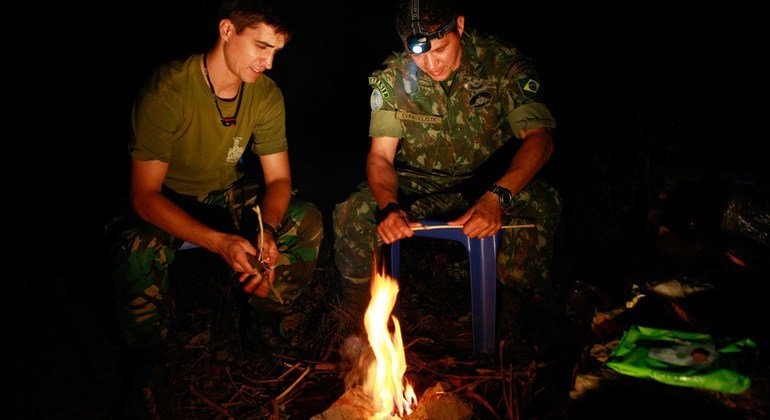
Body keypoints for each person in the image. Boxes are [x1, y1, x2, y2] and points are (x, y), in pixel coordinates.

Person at [110, 0, 322, 416]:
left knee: (306, 219)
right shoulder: (168, 90)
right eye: (261, 47)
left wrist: (270, 228)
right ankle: (148, 362)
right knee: (136, 249)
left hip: (223, 192)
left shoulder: (264, 94)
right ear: (227, 30)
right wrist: (218, 242)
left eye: (276, 51)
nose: (269, 62)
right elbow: (144, 196)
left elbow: (278, 180)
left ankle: (264, 322)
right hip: (167, 196)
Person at [333, 0, 561, 354]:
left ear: (460, 25)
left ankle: (520, 315)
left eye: (441, 49)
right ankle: (358, 322)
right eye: (419, 54)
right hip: (421, 184)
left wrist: (498, 195)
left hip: (489, 181)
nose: (431, 63)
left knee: (542, 203)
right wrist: (388, 205)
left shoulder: (501, 62)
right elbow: (380, 158)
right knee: (353, 211)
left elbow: (540, 139)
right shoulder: (393, 77)